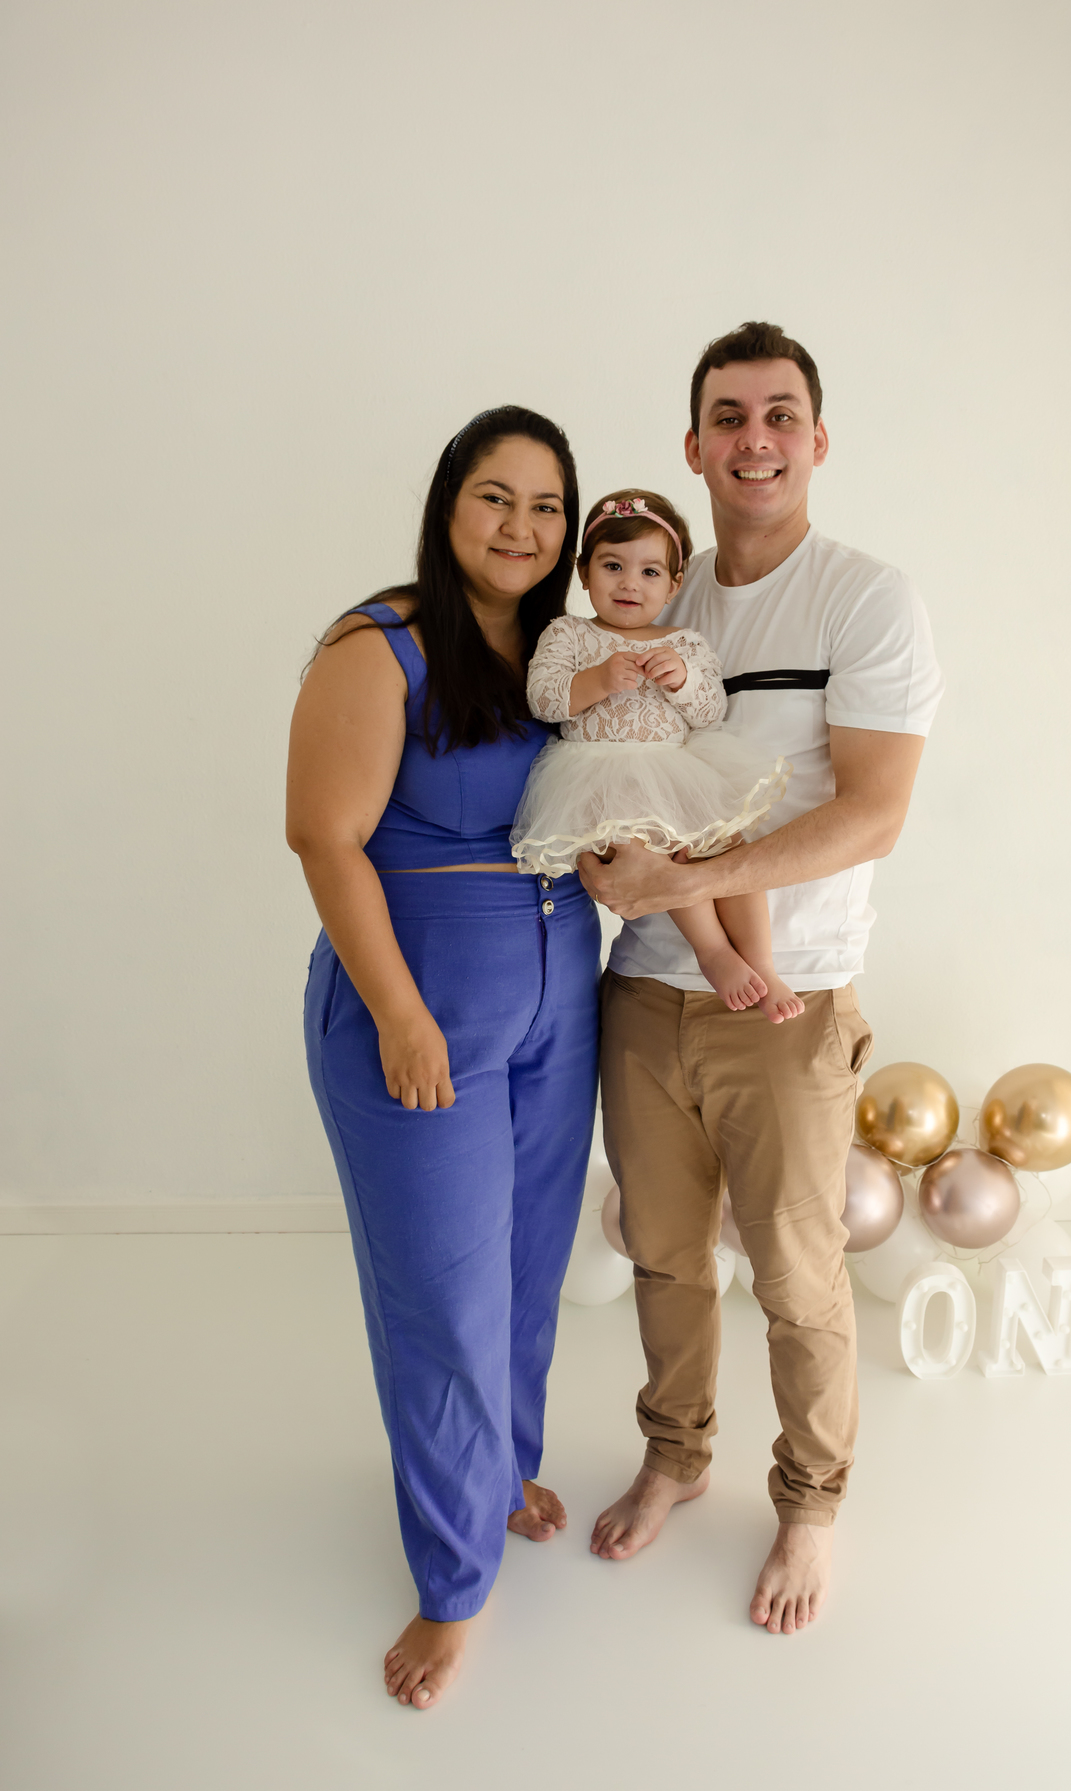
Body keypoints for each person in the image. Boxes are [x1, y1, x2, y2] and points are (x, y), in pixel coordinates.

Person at [581, 322, 944, 1634]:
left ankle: (810, 1502)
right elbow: (601, 753)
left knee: (797, 1274)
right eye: (729, 417)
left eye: (780, 414)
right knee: (667, 1258)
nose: (755, 439)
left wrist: (691, 880)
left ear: (817, 439)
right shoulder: (653, 594)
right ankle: (676, 1456)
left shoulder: (863, 598)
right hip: (644, 991)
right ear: (693, 446)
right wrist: (601, 859)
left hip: (791, 998)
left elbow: (874, 814)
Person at [286, 406, 600, 1710]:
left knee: (526, 1270)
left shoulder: (562, 650)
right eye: (495, 497)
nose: (522, 527)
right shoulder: (381, 644)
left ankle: (498, 1472)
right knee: (444, 1296)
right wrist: (403, 1017)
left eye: (546, 506)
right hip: (421, 1012)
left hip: (559, 999)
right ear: (448, 504)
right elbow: (322, 836)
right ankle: (452, 1582)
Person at [511, 487, 800, 1021]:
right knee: (654, 855)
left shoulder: (684, 642)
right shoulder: (570, 634)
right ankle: (714, 952)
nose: (629, 583)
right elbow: (543, 698)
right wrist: (597, 680)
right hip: (600, 777)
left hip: (675, 771)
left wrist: (684, 679)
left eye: (649, 572)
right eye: (612, 566)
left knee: (728, 847)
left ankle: (765, 965)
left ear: (674, 583)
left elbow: (710, 712)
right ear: (583, 572)